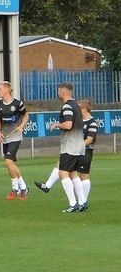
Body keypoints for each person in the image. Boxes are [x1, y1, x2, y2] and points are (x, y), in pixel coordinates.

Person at [35, 99, 96, 207]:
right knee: (64, 166)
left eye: (79, 109)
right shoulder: (79, 121)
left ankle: (83, 201)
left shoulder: (92, 122)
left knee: (83, 175)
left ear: (85, 109)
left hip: (85, 151)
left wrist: (78, 145)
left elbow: (90, 139)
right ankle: (48, 186)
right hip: (74, 150)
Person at [47, 82, 87, 213]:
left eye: (59, 91)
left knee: (62, 173)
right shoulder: (76, 104)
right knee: (72, 173)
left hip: (70, 145)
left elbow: (69, 125)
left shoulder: (67, 106)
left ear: (63, 92)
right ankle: (82, 203)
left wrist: (57, 125)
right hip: (79, 144)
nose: (58, 93)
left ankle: (73, 204)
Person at [0, 81, 30, 200]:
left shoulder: (17, 103)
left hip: (16, 136)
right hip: (5, 138)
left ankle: (15, 189)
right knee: (11, 165)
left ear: (6, 90)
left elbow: (26, 116)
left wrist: (21, 126)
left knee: (8, 162)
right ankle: (24, 187)